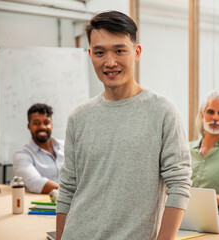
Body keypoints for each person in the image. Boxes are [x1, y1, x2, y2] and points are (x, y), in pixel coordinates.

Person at [56, 11, 192, 240]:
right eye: (100, 52)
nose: (110, 62)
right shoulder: (79, 117)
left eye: (120, 50)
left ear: (136, 52)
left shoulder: (162, 112)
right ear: (90, 55)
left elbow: (179, 185)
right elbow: (68, 188)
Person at [13, 103, 63, 194]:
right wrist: (69, 193)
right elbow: (34, 182)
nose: (42, 127)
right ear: (29, 126)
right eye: (36, 123)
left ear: (51, 124)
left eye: (46, 122)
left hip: (73, 202)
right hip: (43, 204)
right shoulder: (22, 155)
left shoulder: (65, 146)